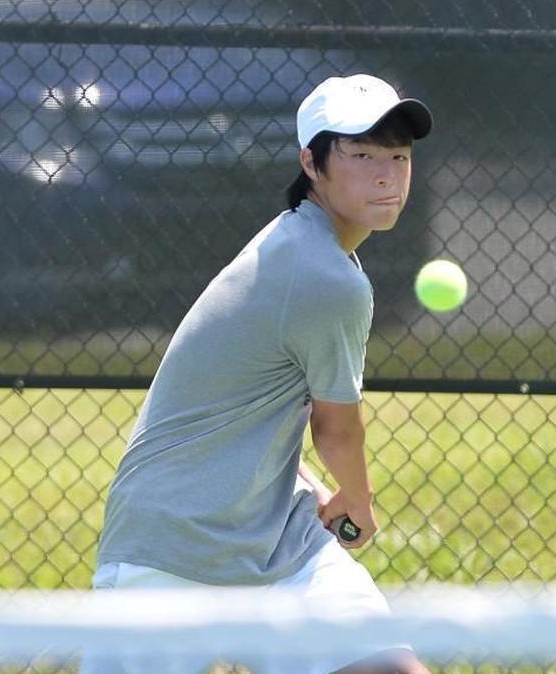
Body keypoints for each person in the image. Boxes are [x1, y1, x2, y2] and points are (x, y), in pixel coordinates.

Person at [86, 73, 433, 674]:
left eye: (398, 157)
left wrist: (311, 491)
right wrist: (356, 499)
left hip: (279, 546)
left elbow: (255, 414)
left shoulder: (303, 248)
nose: (386, 174)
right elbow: (336, 432)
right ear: (312, 163)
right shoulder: (323, 273)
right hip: (170, 545)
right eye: (361, 154)